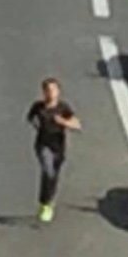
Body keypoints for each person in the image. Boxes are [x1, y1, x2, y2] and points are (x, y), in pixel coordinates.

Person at [28, 78, 81, 223]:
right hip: (42, 145)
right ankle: (45, 204)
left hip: (58, 147)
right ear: (43, 92)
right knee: (48, 171)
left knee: (53, 177)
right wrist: (38, 127)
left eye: (53, 90)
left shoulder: (63, 108)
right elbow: (31, 118)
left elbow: (77, 125)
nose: (50, 93)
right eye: (47, 90)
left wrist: (63, 122)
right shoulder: (38, 107)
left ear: (58, 92)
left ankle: (47, 201)